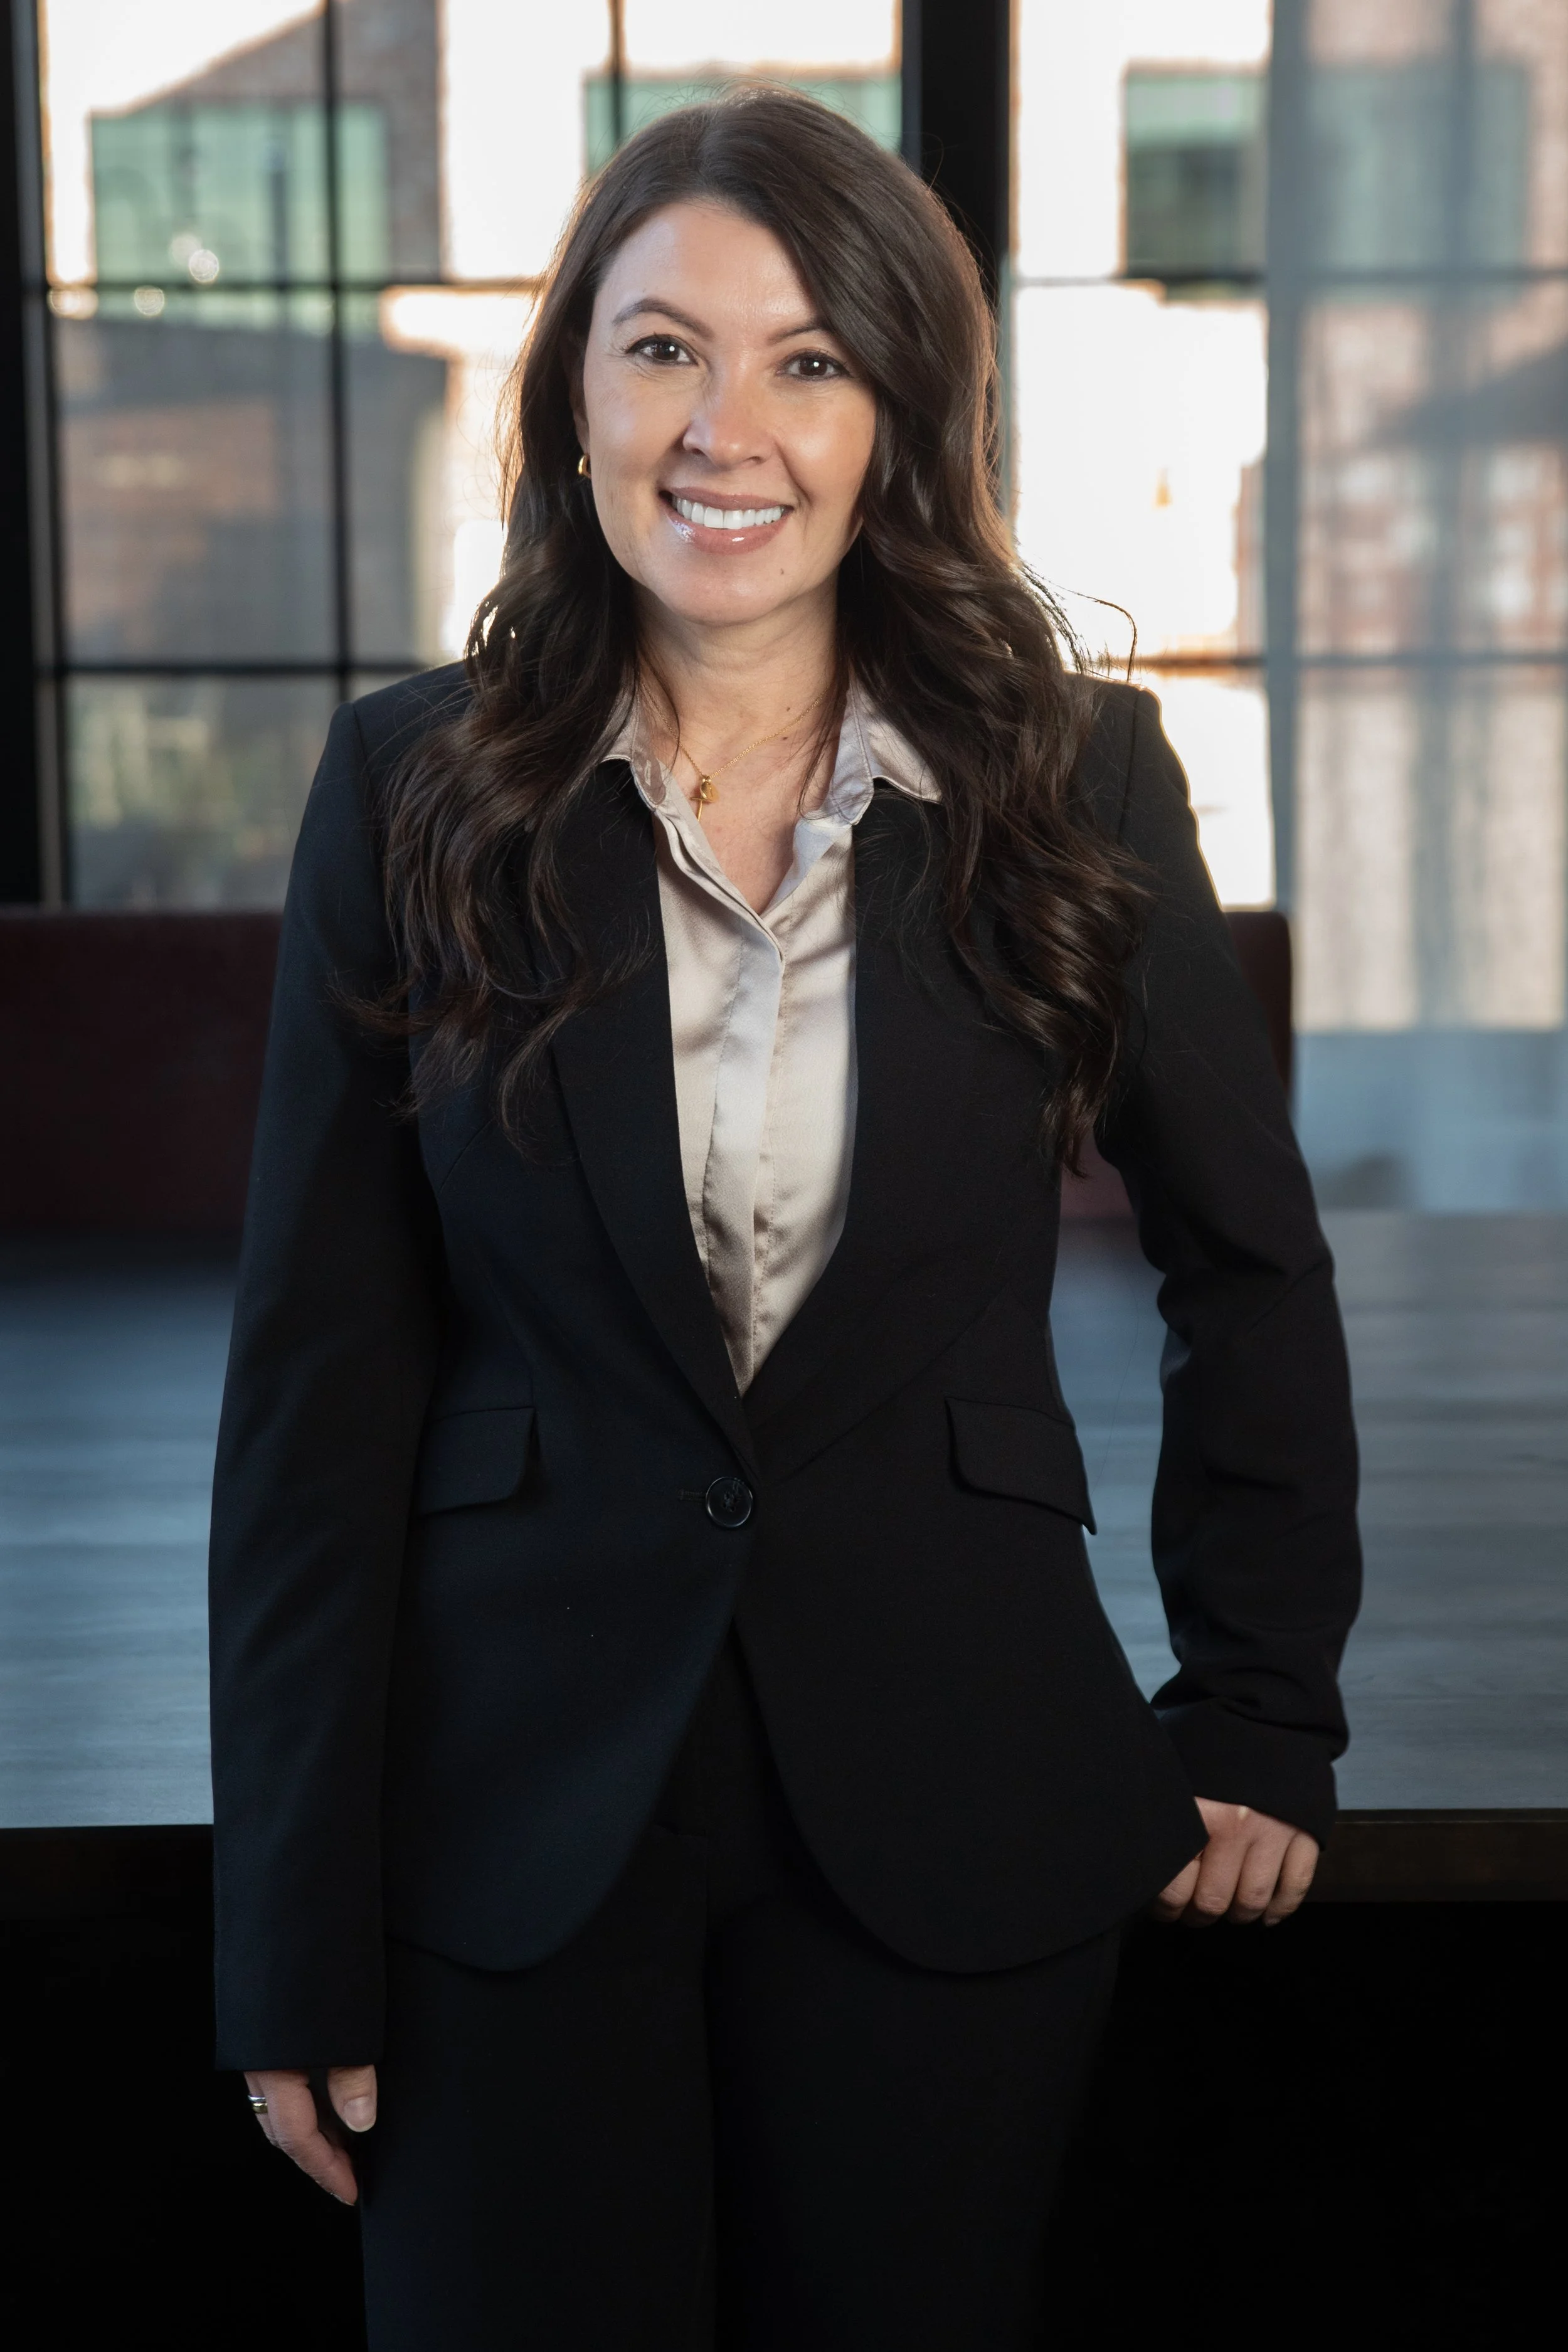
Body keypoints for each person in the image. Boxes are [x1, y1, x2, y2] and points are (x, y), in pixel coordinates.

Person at [209, 88, 1360, 2351]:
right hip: (506, 1819)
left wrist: (1258, 1702)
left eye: (808, 358)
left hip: (956, 1790)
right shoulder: (409, 785)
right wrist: (287, 1921)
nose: (725, 424)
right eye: (660, 348)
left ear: (899, 416)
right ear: (572, 396)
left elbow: (1250, 1262)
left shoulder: (1075, 779)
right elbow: (316, 1386)